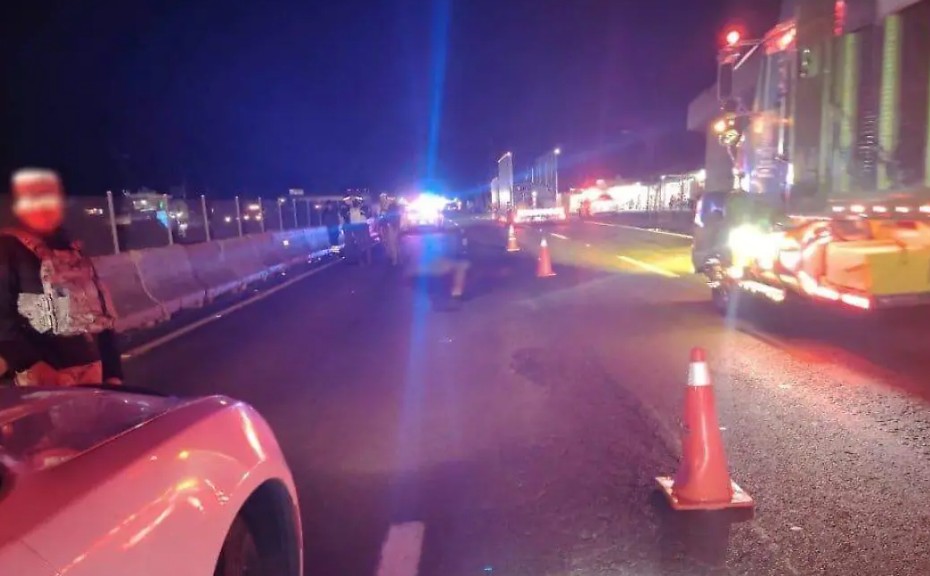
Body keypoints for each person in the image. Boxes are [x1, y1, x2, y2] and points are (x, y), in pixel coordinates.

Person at [0, 169, 122, 387]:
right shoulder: (7, 250)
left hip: (92, 375)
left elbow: (101, 316)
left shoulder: (72, 251)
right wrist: (32, 365)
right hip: (41, 385)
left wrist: (113, 373)